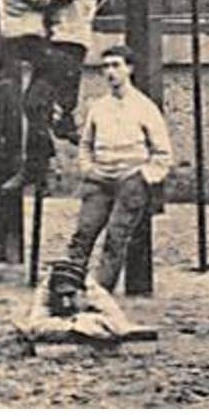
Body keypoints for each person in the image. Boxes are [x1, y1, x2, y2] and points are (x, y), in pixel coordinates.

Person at [50, 45, 171, 305]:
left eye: (116, 65)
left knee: (116, 238)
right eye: (105, 66)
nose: (110, 72)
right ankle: (67, 292)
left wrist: (143, 177)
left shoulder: (144, 107)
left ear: (129, 68)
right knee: (83, 234)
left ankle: (100, 296)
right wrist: (88, 169)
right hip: (99, 180)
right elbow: (85, 145)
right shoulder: (98, 107)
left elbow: (163, 154)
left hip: (130, 181)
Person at [0, 0, 56, 191]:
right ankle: (33, 161)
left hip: (32, 33)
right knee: (15, 103)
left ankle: (41, 159)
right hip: (19, 36)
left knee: (37, 101)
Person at [33, 0, 103, 144]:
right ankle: (61, 127)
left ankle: (65, 122)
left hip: (72, 37)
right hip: (54, 35)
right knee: (45, 95)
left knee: (58, 89)